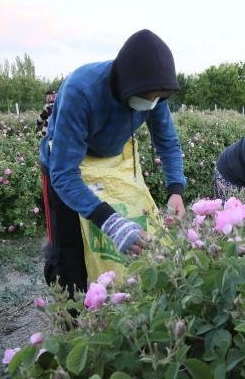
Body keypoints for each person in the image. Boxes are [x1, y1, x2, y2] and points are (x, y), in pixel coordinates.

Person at [39, 29, 186, 298]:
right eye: (148, 96)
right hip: (67, 164)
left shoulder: (154, 96)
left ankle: (119, 301)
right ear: (126, 84)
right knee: (69, 251)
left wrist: (176, 189)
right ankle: (73, 317)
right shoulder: (81, 90)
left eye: (158, 98)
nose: (152, 102)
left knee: (129, 231)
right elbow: (63, 173)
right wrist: (108, 220)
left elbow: (168, 142)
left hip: (112, 161)